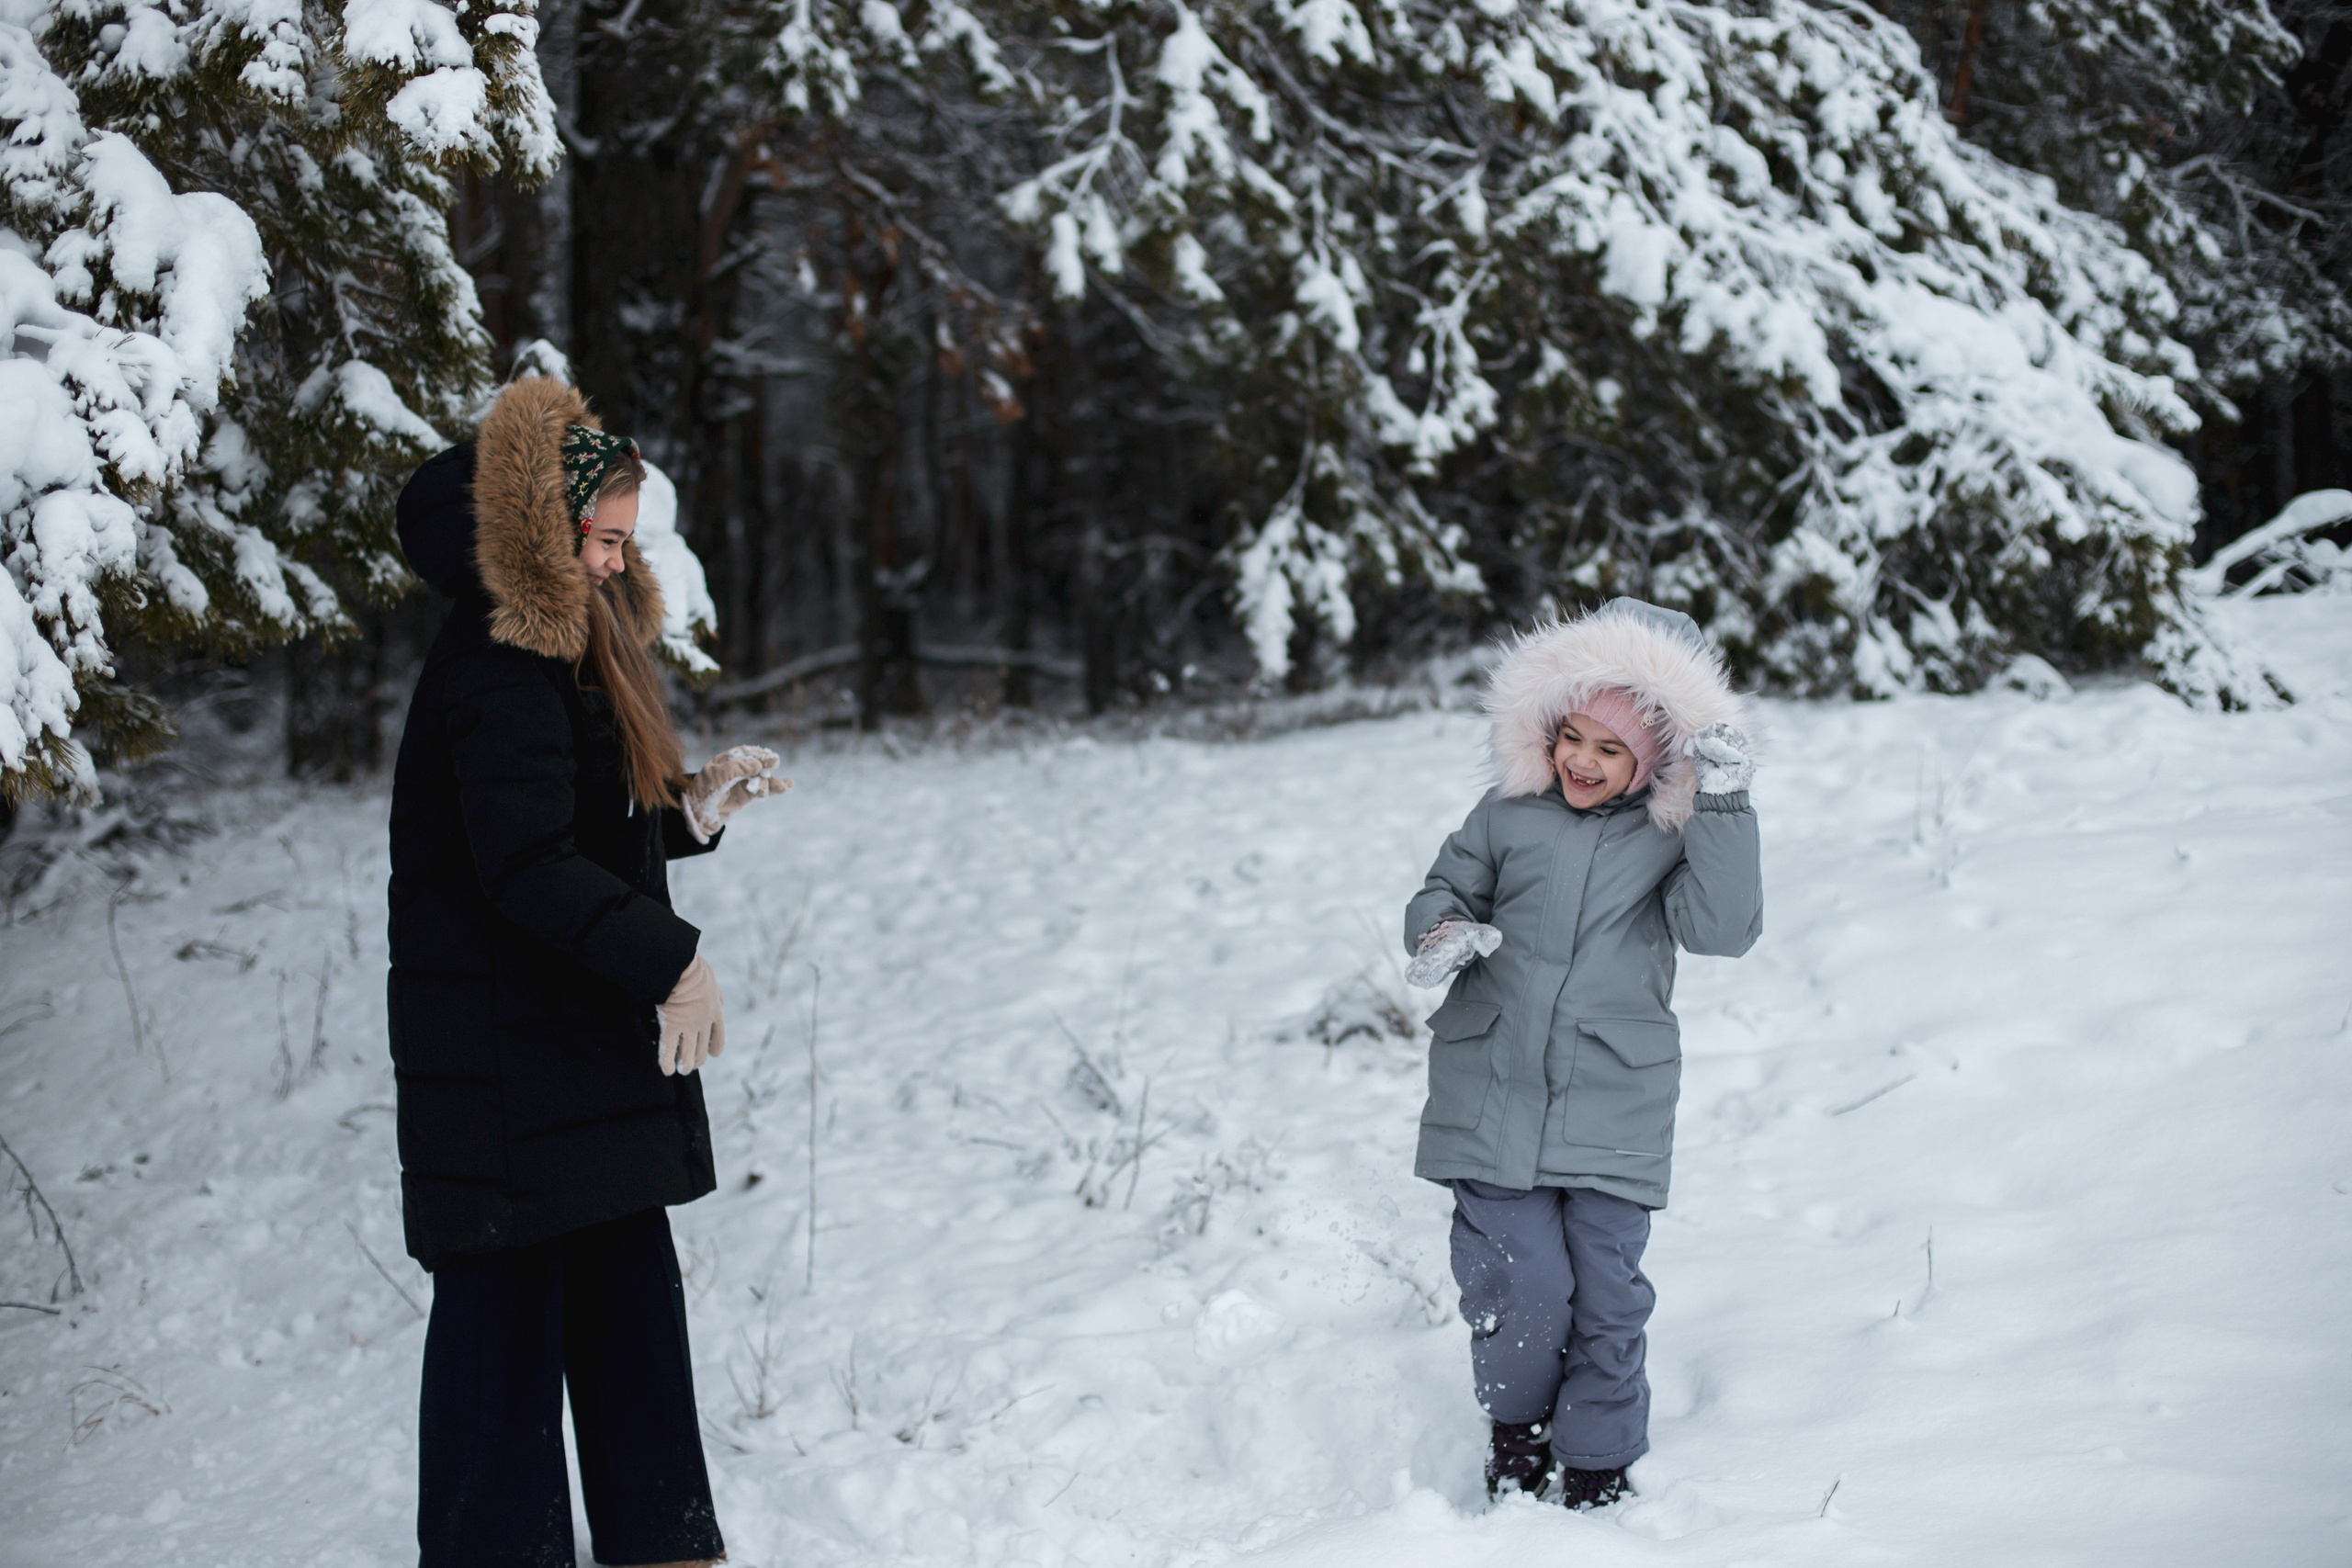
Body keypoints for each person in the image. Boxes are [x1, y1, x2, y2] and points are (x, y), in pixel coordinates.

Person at [387, 375, 787, 1567]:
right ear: (543, 527)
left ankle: (666, 1545)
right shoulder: (496, 656)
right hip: (506, 1064)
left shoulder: (549, 642)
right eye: (605, 538)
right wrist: (674, 959)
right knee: (502, 1342)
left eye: (624, 541)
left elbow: (567, 821)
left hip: (567, 1044)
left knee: (626, 1306)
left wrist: (684, 811)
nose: (617, 563)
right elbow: (523, 864)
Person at [1402, 597, 1762, 1510]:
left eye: (1610, 749)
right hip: (1495, 1089)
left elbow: (1721, 929)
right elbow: (1446, 887)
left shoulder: (1671, 836)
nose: (1583, 761)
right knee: (1521, 1283)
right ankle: (1518, 1433)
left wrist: (1722, 803)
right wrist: (1443, 931)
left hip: (1613, 1100)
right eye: (1572, 737)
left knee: (1606, 1294)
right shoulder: (1507, 814)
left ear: (1656, 759)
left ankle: (1597, 1459)